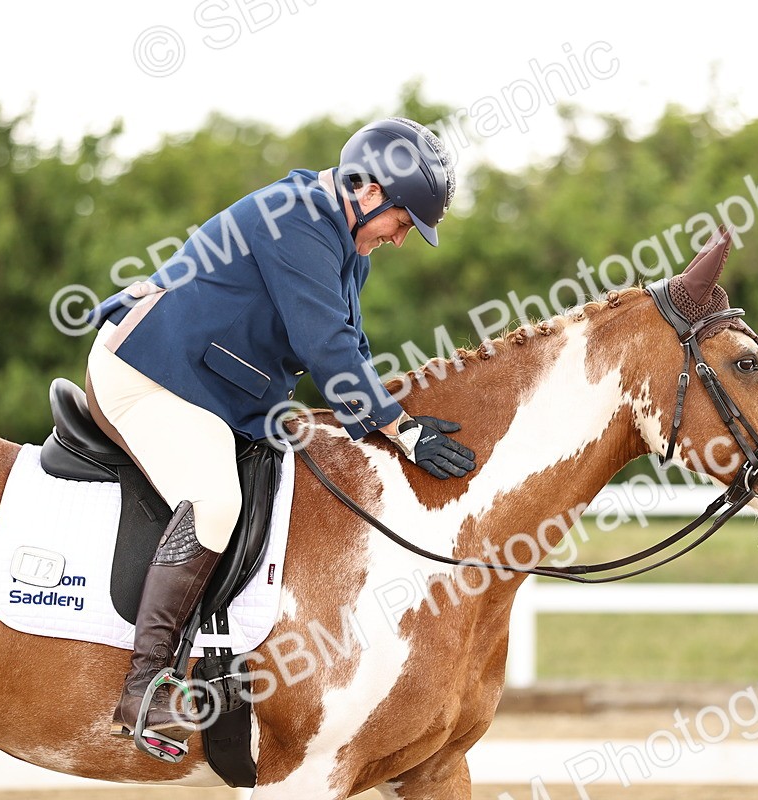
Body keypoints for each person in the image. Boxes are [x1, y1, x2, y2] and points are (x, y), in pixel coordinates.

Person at [85, 117, 476, 754]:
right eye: (404, 224)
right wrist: (398, 429)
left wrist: (388, 415)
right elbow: (322, 348)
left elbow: (348, 343)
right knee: (215, 503)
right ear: (370, 192)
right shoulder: (294, 219)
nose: (402, 240)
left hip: (212, 386)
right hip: (148, 374)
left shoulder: (344, 241)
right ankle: (146, 685)